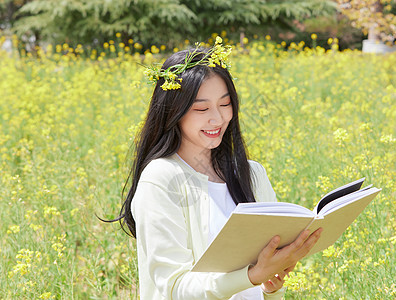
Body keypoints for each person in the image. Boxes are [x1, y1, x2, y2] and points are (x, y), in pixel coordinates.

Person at [115, 37, 322, 300]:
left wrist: (269, 286)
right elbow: (174, 288)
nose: (218, 118)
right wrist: (251, 276)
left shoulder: (253, 174)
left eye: (225, 104)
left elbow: (261, 287)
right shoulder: (161, 179)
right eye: (201, 108)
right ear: (173, 112)